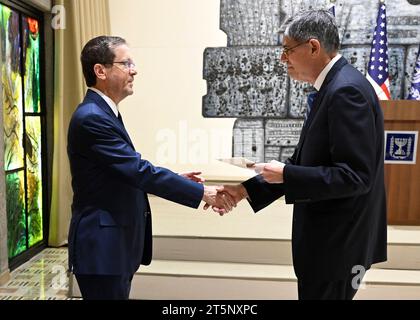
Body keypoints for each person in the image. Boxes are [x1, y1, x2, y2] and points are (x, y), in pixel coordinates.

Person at [210, 10, 387, 300]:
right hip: (333, 244)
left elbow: (356, 176)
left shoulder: (345, 92)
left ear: (313, 47)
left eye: (287, 49)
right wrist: (244, 190)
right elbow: (307, 163)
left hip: (337, 246)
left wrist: (287, 174)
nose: (283, 59)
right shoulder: (334, 86)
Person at [67, 36, 234, 300]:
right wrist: (201, 192)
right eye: (126, 63)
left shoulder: (103, 112)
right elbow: (139, 170)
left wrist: (179, 180)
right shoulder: (91, 118)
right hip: (102, 248)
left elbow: (121, 172)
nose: (135, 70)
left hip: (114, 246)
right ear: (100, 70)